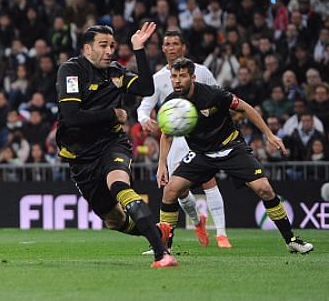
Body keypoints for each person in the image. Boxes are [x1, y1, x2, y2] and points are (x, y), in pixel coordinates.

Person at [157, 58, 313, 255]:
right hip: (201, 154)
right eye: (174, 76)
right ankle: (164, 249)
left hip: (231, 148)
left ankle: (291, 240)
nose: (177, 80)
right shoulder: (172, 103)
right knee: (170, 191)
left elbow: (245, 108)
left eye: (182, 76)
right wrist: (162, 164)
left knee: (264, 189)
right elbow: (166, 133)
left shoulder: (214, 94)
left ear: (193, 77)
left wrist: (269, 134)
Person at [56, 22, 177, 268]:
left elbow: (146, 88)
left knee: (119, 184)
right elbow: (72, 117)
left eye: (112, 45)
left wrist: (139, 50)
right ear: (87, 49)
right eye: (103, 45)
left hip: (112, 144)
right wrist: (114, 114)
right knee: (114, 220)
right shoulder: (71, 71)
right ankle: (157, 233)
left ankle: (162, 254)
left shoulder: (116, 73)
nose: (109, 50)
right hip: (81, 157)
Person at [137, 31, 231, 250]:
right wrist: (144, 119)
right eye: (167, 44)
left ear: (183, 47)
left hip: (200, 136)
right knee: (175, 191)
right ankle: (198, 222)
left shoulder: (202, 72)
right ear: (162, 49)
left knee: (209, 180)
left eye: (175, 43)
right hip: (174, 139)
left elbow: (218, 97)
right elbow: (144, 106)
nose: (171, 47)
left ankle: (222, 234)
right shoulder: (159, 79)